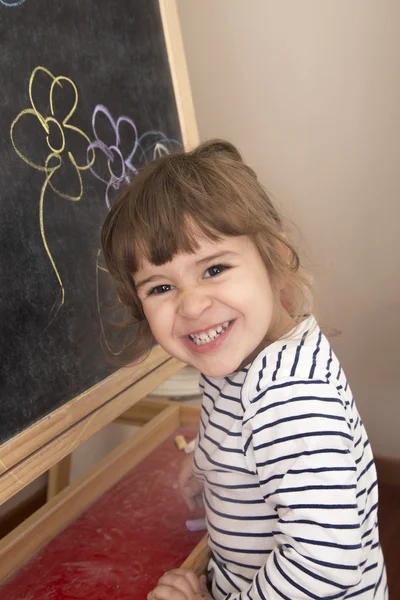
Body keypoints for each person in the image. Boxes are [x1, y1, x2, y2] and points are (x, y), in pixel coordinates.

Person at [101, 140, 387, 600]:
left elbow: (325, 566)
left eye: (214, 269)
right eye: (160, 287)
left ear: (273, 258)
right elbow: (247, 435)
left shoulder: (288, 396)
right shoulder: (245, 352)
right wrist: (209, 464)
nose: (192, 305)